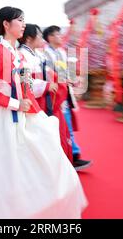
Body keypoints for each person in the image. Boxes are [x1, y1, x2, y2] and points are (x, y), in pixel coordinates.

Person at [0, 7, 87, 219]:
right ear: (6, 25)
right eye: (19, 20)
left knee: (43, 154)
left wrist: (33, 109)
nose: (23, 24)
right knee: (7, 165)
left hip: (23, 113)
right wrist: (16, 104)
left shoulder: (16, 53)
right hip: (2, 118)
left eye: (24, 20)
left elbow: (25, 85)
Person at [19, 23, 73, 163]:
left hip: (45, 99)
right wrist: (47, 85)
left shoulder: (36, 54)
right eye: (38, 35)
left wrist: (59, 80)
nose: (41, 38)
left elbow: (48, 73)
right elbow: (25, 83)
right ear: (29, 39)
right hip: (36, 103)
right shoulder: (23, 56)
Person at [43, 25, 92, 171]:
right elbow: (50, 75)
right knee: (63, 126)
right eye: (57, 34)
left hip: (65, 93)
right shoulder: (46, 54)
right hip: (55, 95)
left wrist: (73, 80)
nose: (60, 37)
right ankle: (71, 156)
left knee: (67, 126)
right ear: (50, 37)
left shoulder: (62, 52)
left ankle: (72, 155)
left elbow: (69, 73)